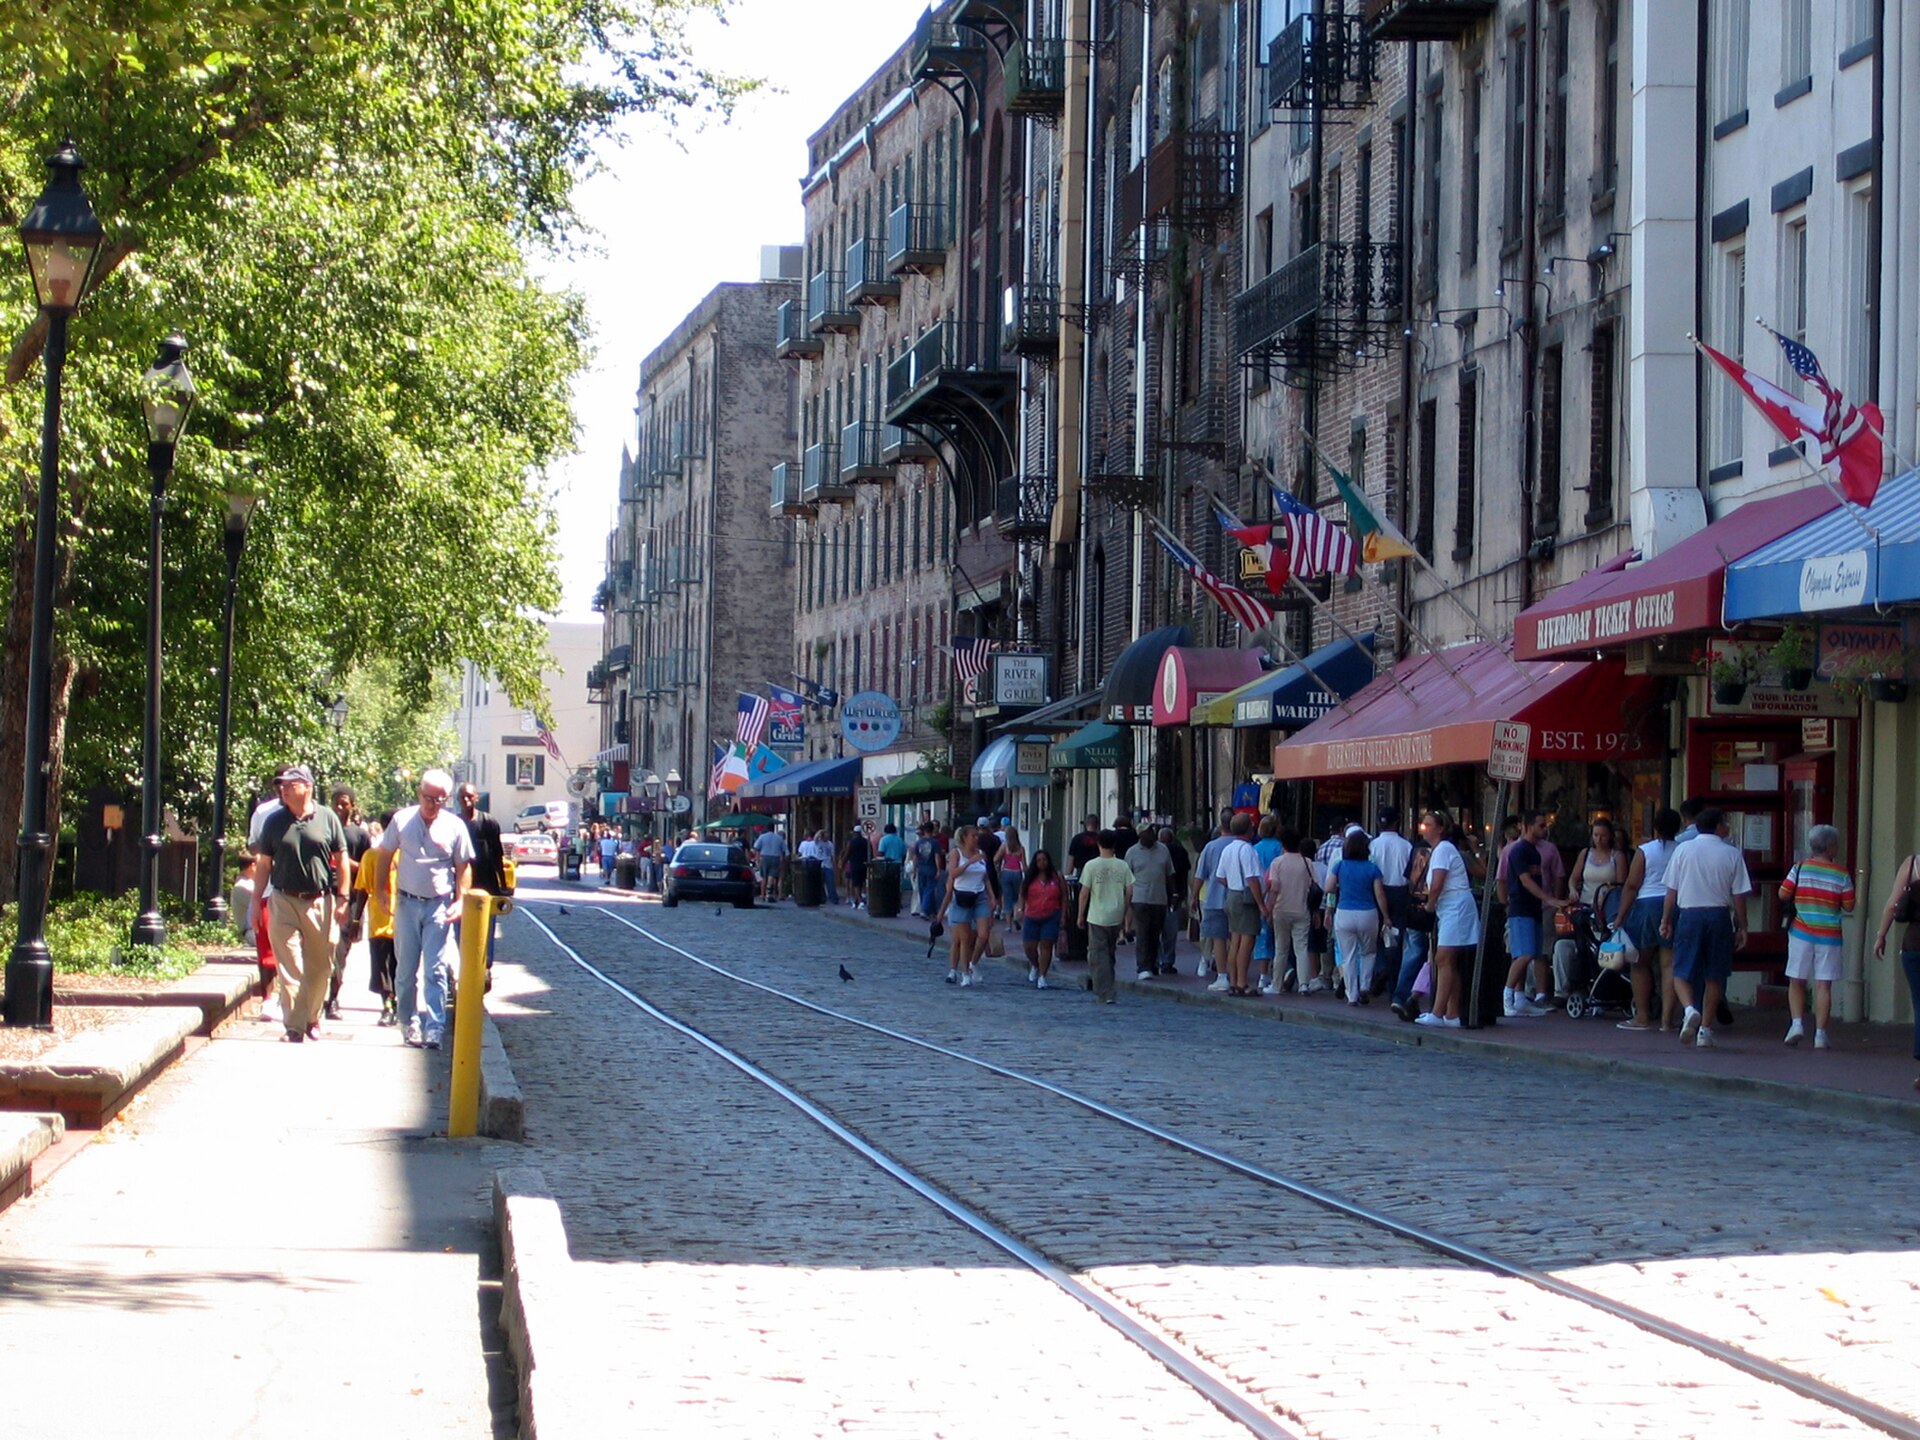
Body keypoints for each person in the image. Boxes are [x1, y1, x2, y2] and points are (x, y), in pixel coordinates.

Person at [249, 764, 351, 1043]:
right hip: (282, 899)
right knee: (290, 965)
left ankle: (313, 1018)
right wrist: (256, 902)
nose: (283, 789)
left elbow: (341, 860)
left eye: (290, 785)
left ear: (307, 787)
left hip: (319, 901)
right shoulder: (274, 821)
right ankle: (294, 1026)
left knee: (320, 966)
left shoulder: (327, 818)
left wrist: (343, 898)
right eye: (281, 785)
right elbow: (264, 864)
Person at [375, 769, 474, 1051]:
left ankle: (434, 1026)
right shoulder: (402, 820)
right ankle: (409, 1023)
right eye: (429, 798)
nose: (433, 805)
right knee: (405, 969)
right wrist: (381, 890)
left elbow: (463, 866)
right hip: (407, 902)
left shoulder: (455, 826)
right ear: (419, 794)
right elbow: (384, 855)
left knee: (436, 969)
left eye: (440, 800)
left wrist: (460, 900)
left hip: (439, 904)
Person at [1658, 806, 1751, 1049]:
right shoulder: (1732, 854)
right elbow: (1739, 895)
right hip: (1719, 914)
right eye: (1726, 823)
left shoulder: (1683, 850)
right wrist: (1742, 926)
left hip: (1689, 913)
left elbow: (1671, 890)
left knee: (1680, 970)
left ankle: (1690, 1009)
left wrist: (1666, 919)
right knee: (1715, 974)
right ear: (1719, 826)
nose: (1728, 827)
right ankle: (1705, 1030)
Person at [1778, 824, 1855, 1049]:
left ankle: (1796, 1024)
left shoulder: (1800, 868)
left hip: (1801, 931)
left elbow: (1783, 893)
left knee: (1796, 979)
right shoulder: (1841, 873)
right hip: (1829, 935)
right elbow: (1849, 905)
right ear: (1830, 847)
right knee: (1824, 985)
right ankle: (1820, 1034)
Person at [1612, 809, 1680, 1032]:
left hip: (1646, 906)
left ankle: (1642, 1016)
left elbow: (1631, 885)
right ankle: (1667, 1021)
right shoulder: (1682, 850)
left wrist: (1621, 915)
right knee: (1669, 965)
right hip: (1675, 905)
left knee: (1640, 963)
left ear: (1656, 828)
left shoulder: (1645, 851)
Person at [1415, 809, 1478, 1028]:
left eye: (1430, 824)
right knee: (1449, 960)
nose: (1425, 828)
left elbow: (1438, 882)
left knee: (1443, 958)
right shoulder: (1438, 851)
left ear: (1441, 828)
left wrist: (1430, 905)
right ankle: (1452, 1014)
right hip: (1450, 906)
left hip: (1455, 906)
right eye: (1424, 824)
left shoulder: (1442, 850)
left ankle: (1438, 1011)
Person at [1501, 810, 1566, 1017]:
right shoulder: (1518, 850)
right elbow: (1525, 880)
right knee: (1524, 953)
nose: (1544, 829)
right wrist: (1550, 898)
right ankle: (1507, 996)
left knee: (1536, 953)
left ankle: (1520, 1000)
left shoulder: (1536, 852)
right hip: (1521, 908)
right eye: (1540, 825)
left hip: (1535, 909)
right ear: (1526, 826)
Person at [1554, 817, 1627, 999]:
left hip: (1605, 908)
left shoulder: (1617, 857)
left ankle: (1602, 987)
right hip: (1585, 905)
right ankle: (1564, 989)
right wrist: (1572, 890)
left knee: (1601, 944)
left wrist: (1609, 892)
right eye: (1595, 835)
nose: (1599, 839)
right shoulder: (1585, 854)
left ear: (1610, 836)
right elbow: (1574, 877)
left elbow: (1622, 885)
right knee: (1568, 943)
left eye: (1603, 835)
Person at [322, 786, 374, 1021]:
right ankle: (316, 998)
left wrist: (357, 916)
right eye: (336, 803)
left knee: (340, 953)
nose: (339, 808)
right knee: (318, 950)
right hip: (322, 895)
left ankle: (332, 999)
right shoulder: (322, 830)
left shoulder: (359, 836)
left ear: (353, 806)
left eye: (344, 803)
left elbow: (367, 872)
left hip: (349, 899)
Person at [1871, 849, 1920, 1082]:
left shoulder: (1913, 865)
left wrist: (1881, 935)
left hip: (1915, 944)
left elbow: (1893, 904)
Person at [1327, 828, 1390, 1005]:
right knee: (1368, 953)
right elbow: (1379, 894)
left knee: (1348, 956)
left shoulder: (1339, 865)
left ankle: (1352, 995)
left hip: (1344, 912)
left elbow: (1329, 887)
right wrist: (1386, 916)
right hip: (1368, 913)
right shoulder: (1372, 868)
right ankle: (1365, 986)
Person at [348, 811, 399, 1025]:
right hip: (379, 922)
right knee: (382, 968)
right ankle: (388, 1005)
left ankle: (398, 1003)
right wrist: (356, 920)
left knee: (400, 968)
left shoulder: (409, 856)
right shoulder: (371, 856)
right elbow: (361, 890)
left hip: (404, 923)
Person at [455, 783, 509, 979]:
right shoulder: (455, 823)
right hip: (460, 889)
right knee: (459, 932)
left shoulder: (488, 822)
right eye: (463, 797)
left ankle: (485, 968)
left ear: (477, 798)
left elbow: (497, 856)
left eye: (470, 796)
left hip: (487, 886)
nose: (467, 800)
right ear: (458, 799)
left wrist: (502, 885)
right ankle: (463, 971)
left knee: (486, 931)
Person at [1075, 829, 1133, 1005]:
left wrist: (1080, 915)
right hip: (1116, 914)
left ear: (1098, 844)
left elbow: (1084, 893)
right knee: (1109, 952)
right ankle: (1108, 984)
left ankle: (1105, 991)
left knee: (1098, 954)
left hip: (1097, 915)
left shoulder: (1091, 866)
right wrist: (1124, 910)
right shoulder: (1122, 866)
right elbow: (1130, 891)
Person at [1215, 813, 1267, 997]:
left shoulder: (1228, 849)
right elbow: (1252, 878)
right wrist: (1261, 903)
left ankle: (1234, 980)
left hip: (1231, 895)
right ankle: (1243, 982)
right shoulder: (1247, 850)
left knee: (1235, 939)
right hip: (1245, 897)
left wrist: (1232, 883)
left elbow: (1220, 877)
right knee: (1247, 940)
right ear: (1248, 829)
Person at [941, 824, 994, 987]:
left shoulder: (981, 854)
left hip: (979, 895)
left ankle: (973, 962)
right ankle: (964, 973)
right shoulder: (956, 853)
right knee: (964, 938)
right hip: (962, 896)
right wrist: (969, 862)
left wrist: (992, 895)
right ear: (964, 838)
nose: (976, 838)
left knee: (983, 934)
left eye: (977, 836)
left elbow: (986, 876)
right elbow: (953, 874)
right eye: (973, 836)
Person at [1369, 806, 1414, 997]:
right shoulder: (1407, 846)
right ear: (1397, 822)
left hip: (1377, 889)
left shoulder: (1372, 845)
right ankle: (1392, 978)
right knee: (1396, 936)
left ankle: (1381, 967)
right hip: (1400, 891)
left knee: (1376, 935)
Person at [1264, 828, 1314, 994]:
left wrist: (1268, 910)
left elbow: (1274, 889)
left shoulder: (1277, 863)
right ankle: (1304, 984)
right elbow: (1313, 886)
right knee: (1301, 948)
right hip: (1302, 909)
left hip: (1282, 909)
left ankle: (1276, 984)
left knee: (1281, 948)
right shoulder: (1307, 863)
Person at [1123, 826, 1174, 981]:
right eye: (1146, 833)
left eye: (1151, 832)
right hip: (1140, 897)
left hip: (1159, 898)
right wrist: (1127, 898)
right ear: (1140, 835)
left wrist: (1174, 894)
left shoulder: (1163, 850)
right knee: (1143, 932)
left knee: (1155, 933)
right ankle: (1143, 966)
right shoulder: (1132, 852)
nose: (1150, 836)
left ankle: (1153, 963)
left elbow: (1169, 873)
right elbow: (1126, 876)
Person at [1191, 811, 1236, 987]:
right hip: (1236, 897)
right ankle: (1236, 973)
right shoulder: (1243, 845)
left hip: (1214, 897)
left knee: (1218, 938)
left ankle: (1222, 975)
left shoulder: (1210, 847)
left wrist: (1194, 896)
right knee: (1235, 938)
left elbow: (1199, 875)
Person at [1016, 849, 1064, 988]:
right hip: (1032, 915)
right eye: (1038, 860)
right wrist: (1021, 909)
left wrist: (1063, 914)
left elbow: (1064, 896)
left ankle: (1043, 976)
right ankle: (1035, 965)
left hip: (1051, 914)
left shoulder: (1056, 877)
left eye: (1044, 860)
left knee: (1046, 945)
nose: (1042, 863)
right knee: (1029, 947)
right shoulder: (1030, 878)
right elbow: (1023, 894)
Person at [1250, 815, 1285, 992]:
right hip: (1277, 894)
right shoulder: (1280, 848)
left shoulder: (1254, 849)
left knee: (1262, 937)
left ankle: (1263, 975)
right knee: (1279, 937)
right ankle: (1279, 972)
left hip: (1259, 894)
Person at [1159, 825, 1189, 974]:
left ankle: (1156, 960)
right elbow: (1185, 872)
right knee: (1170, 931)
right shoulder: (1180, 851)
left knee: (1155, 930)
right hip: (1175, 895)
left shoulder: (1157, 851)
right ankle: (1167, 961)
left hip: (1157, 895)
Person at [911, 822, 942, 918]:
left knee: (922, 889)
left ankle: (929, 910)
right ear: (932, 830)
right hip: (931, 867)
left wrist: (914, 869)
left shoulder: (918, 842)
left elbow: (915, 857)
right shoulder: (935, 842)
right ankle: (925, 910)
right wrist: (938, 869)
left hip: (921, 868)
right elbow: (937, 856)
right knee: (930, 889)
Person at [752, 823, 788, 902]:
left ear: (767, 828)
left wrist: (758, 858)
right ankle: (771, 893)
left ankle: (762, 895)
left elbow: (756, 847)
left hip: (764, 857)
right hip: (776, 857)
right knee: (773, 877)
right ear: (774, 828)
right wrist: (783, 861)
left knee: (764, 877)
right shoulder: (779, 838)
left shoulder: (762, 837)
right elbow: (785, 851)